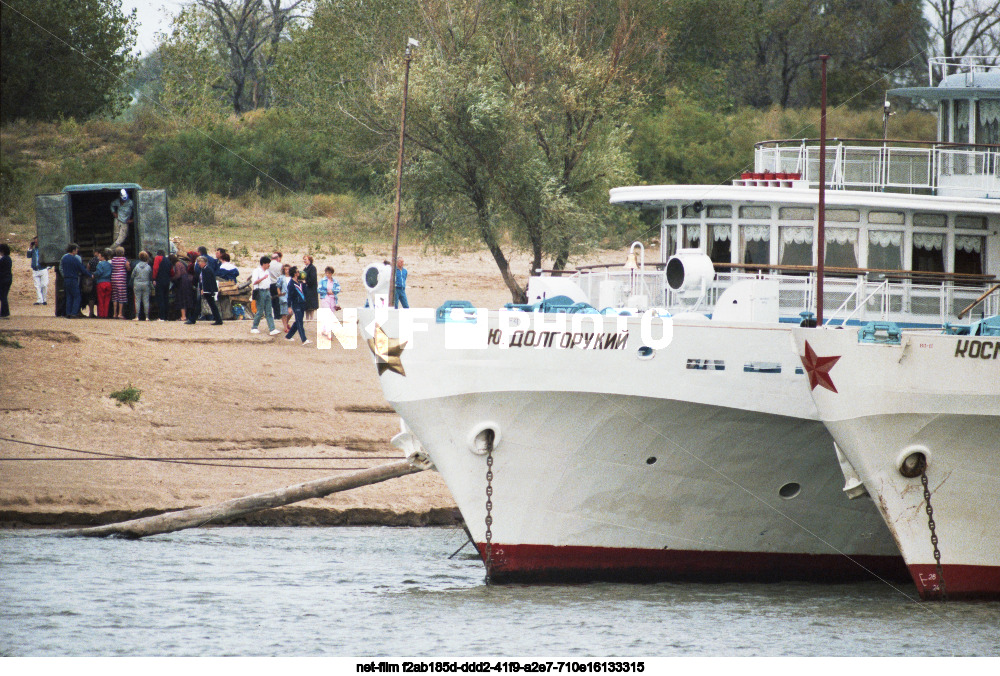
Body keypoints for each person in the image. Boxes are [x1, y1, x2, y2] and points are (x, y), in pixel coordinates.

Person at [60, 243, 91, 318]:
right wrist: (90, 275)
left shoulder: (64, 258)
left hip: (66, 279)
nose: (77, 252)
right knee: (77, 296)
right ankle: (74, 313)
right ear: (73, 250)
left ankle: (68, 312)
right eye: (76, 250)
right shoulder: (75, 259)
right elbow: (82, 269)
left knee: (69, 296)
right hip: (73, 279)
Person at [250, 255, 279, 335]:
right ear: (263, 263)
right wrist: (263, 278)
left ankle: (272, 329)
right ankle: (254, 327)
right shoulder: (257, 271)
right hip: (260, 291)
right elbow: (254, 282)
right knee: (260, 310)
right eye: (267, 263)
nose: (269, 265)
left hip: (267, 291)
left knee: (269, 311)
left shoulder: (267, 271)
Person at [190, 256, 222, 325]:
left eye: (199, 262)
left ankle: (218, 319)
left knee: (210, 305)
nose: (198, 264)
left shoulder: (207, 270)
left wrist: (203, 289)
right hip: (207, 290)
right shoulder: (205, 269)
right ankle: (193, 319)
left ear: (203, 262)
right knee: (207, 304)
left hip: (207, 290)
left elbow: (207, 281)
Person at [284, 266, 310, 345]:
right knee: (300, 322)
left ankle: (288, 336)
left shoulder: (300, 282)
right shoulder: (291, 284)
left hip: (302, 304)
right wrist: (289, 307)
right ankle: (304, 339)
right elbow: (289, 296)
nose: (299, 273)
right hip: (296, 305)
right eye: (298, 272)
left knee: (298, 321)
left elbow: (305, 292)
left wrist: (305, 284)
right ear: (295, 274)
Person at [131, 251, 152, 320]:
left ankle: (137, 316)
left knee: (137, 300)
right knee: (146, 300)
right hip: (146, 284)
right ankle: (147, 316)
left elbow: (132, 275)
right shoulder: (148, 267)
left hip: (137, 284)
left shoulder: (137, 266)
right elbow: (150, 276)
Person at [27, 237, 48, 305]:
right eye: (35, 242)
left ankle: (44, 299)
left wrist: (48, 267)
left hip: (43, 269)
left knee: (44, 285)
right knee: (37, 286)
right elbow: (28, 256)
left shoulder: (43, 249)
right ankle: (40, 300)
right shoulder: (33, 250)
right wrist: (30, 247)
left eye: (37, 242)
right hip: (35, 270)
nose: (36, 243)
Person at [169, 253, 191, 322]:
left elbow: (178, 274)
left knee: (181, 299)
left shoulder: (177, 264)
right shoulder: (181, 263)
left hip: (182, 282)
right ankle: (185, 316)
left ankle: (183, 316)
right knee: (185, 298)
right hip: (186, 281)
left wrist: (172, 278)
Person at [110, 246, 130, 319]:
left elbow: (111, 267)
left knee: (115, 296)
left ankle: (114, 313)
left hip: (113, 278)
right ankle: (120, 313)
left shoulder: (113, 259)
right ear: (123, 252)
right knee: (121, 296)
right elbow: (127, 267)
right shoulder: (124, 259)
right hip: (121, 279)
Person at [94, 250, 113, 318]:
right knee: (107, 300)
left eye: (99, 256)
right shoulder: (109, 264)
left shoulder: (100, 264)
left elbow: (99, 272)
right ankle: (106, 314)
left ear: (102, 257)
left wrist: (94, 274)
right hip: (108, 283)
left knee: (101, 299)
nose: (98, 257)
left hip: (101, 283)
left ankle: (101, 314)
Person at [153, 249, 171, 321]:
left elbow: (155, 268)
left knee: (160, 298)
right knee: (166, 298)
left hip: (160, 280)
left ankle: (161, 316)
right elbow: (171, 271)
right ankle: (166, 316)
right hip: (167, 280)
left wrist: (154, 278)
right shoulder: (168, 260)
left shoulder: (157, 258)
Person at [303, 254, 318, 320]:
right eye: (304, 259)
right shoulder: (305, 268)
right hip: (306, 289)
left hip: (311, 288)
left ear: (310, 260)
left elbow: (313, 278)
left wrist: (306, 281)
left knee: (311, 304)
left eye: (305, 259)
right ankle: (307, 318)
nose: (304, 261)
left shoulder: (312, 268)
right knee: (306, 304)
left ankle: (311, 318)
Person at [277, 263, 291, 333]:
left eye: (288, 269)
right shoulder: (281, 277)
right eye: (285, 269)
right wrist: (279, 293)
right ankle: (285, 327)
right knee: (284, 312)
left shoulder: (292, 277)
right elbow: (278, 286)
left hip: (291, 296)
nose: (287, 271)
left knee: (291, 312)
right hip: (284, 295)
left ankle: (286, 323)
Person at [268, 251, 283, 318]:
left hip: (270, 284)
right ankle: (278, 315)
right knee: (278, 300)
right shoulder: (280, 265)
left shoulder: (268, 265)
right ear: (277, 258)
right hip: (278, 284)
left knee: (272, 300)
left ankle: (272, 315)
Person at [0, 243, 12, 318]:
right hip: (7, 279)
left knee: (3, 296)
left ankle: (5, 312)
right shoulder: (8, 258)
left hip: (4, 279)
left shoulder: (4, 259)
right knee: (3, 296)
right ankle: (4, 312)